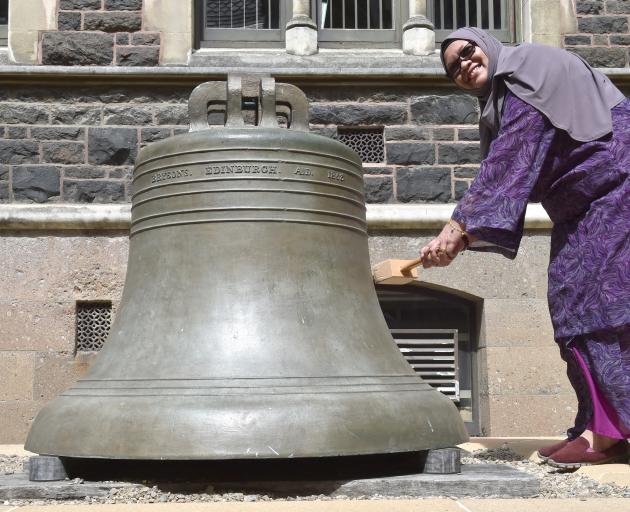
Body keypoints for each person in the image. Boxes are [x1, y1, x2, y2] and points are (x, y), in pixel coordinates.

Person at [421, 27, 630, 469]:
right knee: (575, 306)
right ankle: (603, 429)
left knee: (600, 308)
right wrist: (462, 237)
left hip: (617, 195)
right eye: (452, 68)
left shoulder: (528, 69)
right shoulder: (502, 97)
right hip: (585, 211)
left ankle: (611, 437)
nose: (463, 64)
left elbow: (509, 162)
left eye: (466, 51)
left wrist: (458, 226)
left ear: (486, 43)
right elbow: (516, 175)